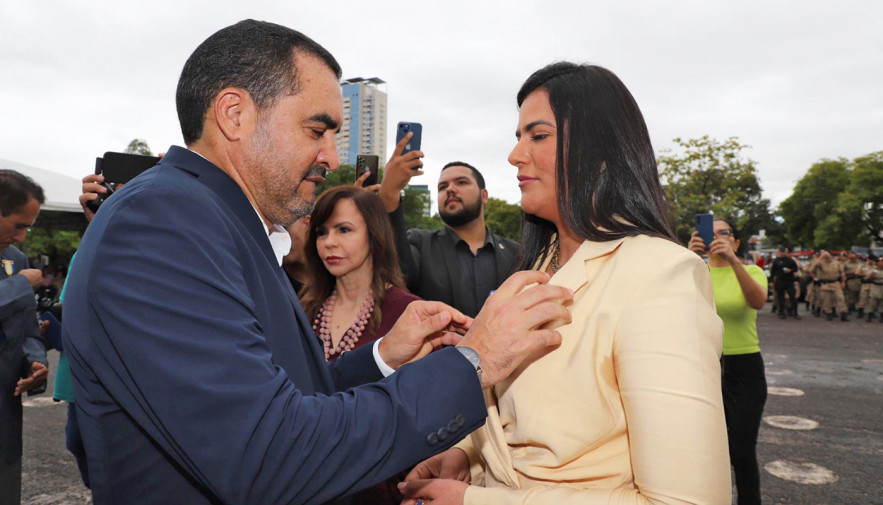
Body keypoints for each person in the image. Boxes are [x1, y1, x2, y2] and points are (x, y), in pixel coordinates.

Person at [61, 20, 571, 505]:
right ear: (234, 114)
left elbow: (288, 397)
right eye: (316, 129)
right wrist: (472, 362)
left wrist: (384, 356)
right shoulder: (162, 221)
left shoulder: (224, 222)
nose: (331, 156)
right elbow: (269, 457)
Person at [400, 62, 729, 505]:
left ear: (601, 149)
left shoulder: (660, 275)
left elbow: (686, 500)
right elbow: (514, 415)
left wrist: (473, 501)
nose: (515, 155)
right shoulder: (536, 267)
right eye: (517, 138)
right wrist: (467, 453)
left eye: (537, 136)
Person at [301, 186, 422, 504]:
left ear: (375, 234)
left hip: (383, 486)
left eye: (344, 229)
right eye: (322, 232)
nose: (329, 242)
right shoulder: (302, 310)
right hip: (308, 482)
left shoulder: (409, 314)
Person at [379, 148, 518, 317]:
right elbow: (395, 270)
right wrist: (389, 194)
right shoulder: (420, 245)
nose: (450, 189)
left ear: (484, 196)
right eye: (442, 187)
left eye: (461, 182)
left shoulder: (516, 254)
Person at [688, 218, 768, 505]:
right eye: (711, 232)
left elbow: (758, 301)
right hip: (703, 366)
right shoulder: (693, 271)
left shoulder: (752, 270)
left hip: (745, 368)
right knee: (705, 450)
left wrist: (734, 262)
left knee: (742, 451)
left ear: (735, 242)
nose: (718, 237)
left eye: (726, 233)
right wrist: (690, 258)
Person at [0, 169, 49, 505]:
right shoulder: (22, 276)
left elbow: (27, 324)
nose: (21, 238)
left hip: (5, 421)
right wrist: (20, 286)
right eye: (18, 225)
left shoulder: (15, 260)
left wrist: (36, 360)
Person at [809, 251, 849, 321]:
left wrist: (843, 282)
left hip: (835, 283)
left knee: (841, 298)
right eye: (825, 256)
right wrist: (820, 257)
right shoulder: (820, 263)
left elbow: (842, 274)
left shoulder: (837, 263)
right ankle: (829, 313)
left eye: (828, 255)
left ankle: (843, 313)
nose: (827, 257)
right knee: (826, 300)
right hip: (825, 284)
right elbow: (811, 269)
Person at [770, 247, 800, 319]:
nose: (782, 254)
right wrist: (771, 281)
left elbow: (795, 268)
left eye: (783, 252)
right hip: (780, 281)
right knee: (780, 298)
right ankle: (781, 313)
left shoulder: (790, 260)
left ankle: (795, 312)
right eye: (781, 252)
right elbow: (772, 272)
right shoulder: (776, 261)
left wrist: (790, 270)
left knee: (793, 297)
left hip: (789, 281)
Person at [864, 257, 883, 322]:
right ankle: (870, 315)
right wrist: (872, 274)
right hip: (875, 286)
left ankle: (881, 316)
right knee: (873, 302)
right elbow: (867, 278)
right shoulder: (874, 270)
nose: (881, 263)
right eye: (880, 262)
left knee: (882, 302)